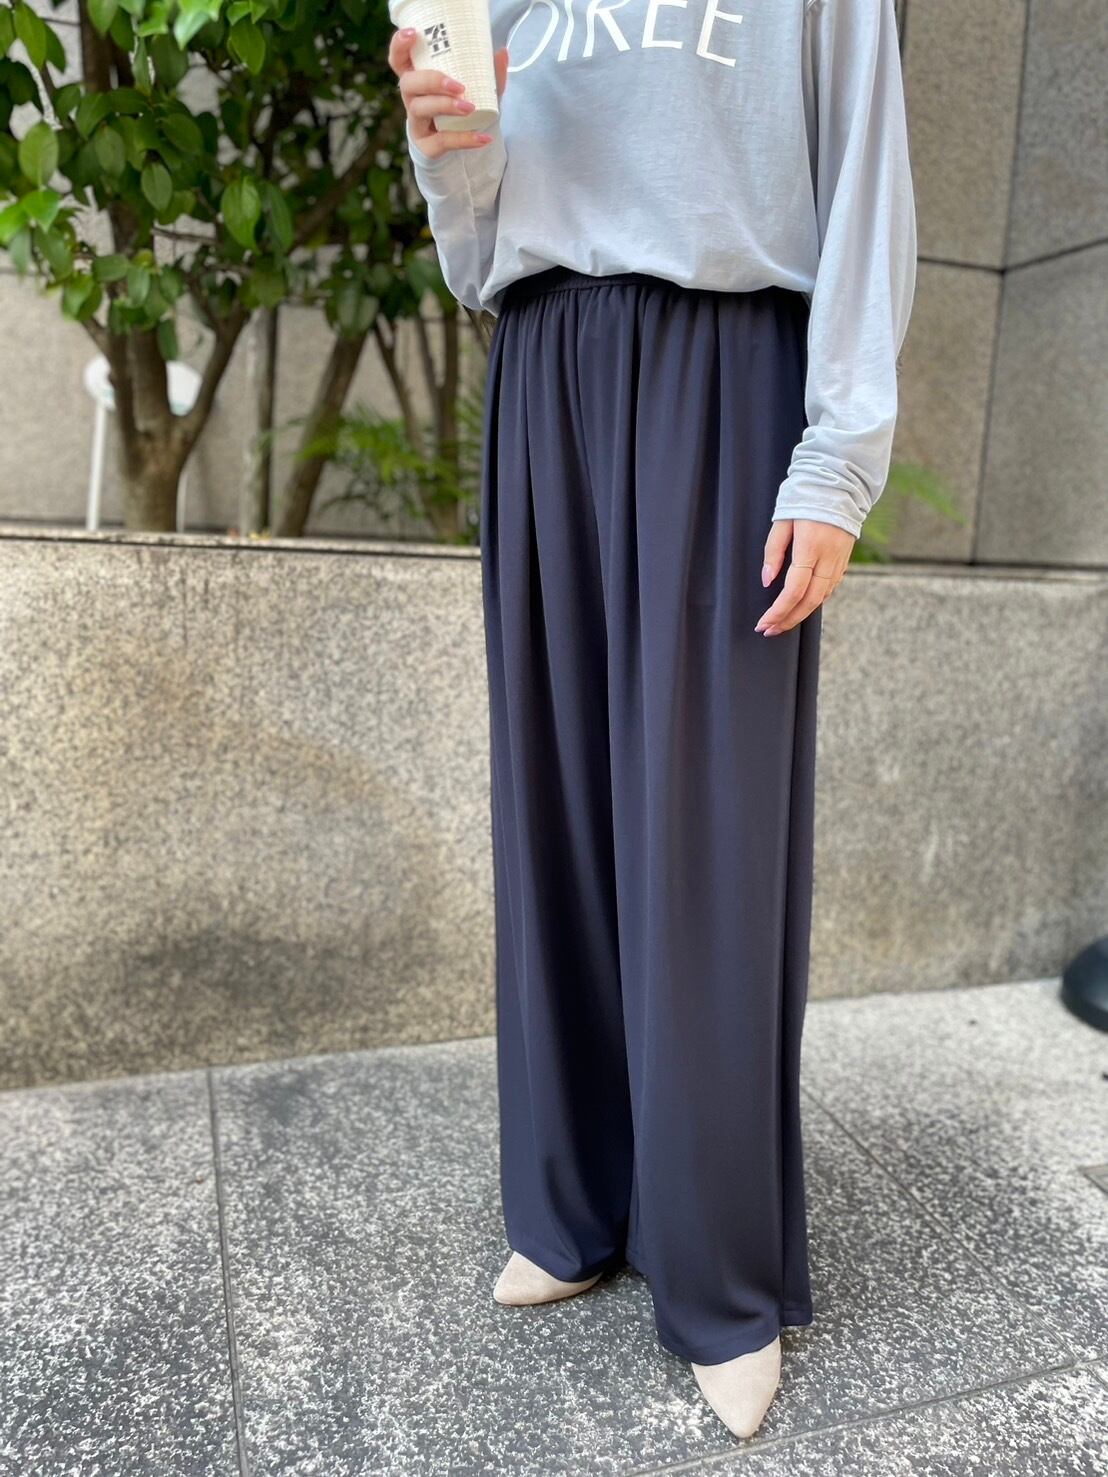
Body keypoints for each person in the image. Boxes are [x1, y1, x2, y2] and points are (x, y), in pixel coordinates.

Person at [388, 0, 916, 1442]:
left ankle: (718, 1271)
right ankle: (570, 1207)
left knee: (705, 836)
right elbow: (479, 247)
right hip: (542, 361)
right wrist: (447, 151)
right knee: (553, 805)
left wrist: (838, 459)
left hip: (727, 359)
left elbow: (866, 171)